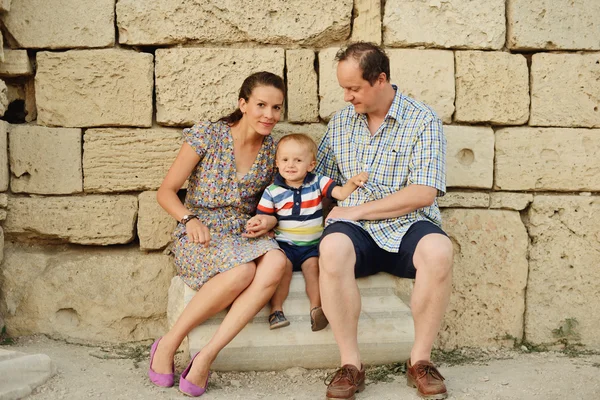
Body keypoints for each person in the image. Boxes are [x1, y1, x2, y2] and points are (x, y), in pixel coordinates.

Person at [316, 42, 453, 400]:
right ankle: (350, 365)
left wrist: (357, 209)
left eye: (354, 88)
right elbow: (323, 181)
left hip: (406, 223)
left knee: (439, 249)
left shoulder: (422, 119)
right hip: (354, 230)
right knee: (331, 247)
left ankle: (420, 360)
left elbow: (423, 193)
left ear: (380, 80)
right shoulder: (341, 123)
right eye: (343, 88)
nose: (346, 97)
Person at [148, 71, 288, 397]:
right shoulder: (208, 135)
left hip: (243, 233)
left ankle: (206, 355)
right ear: (243, 104)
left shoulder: (273, 150)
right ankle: (168, 344)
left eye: (277, 108)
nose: (269, 115)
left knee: (276, 262)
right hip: (201, 233)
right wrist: (189, 219)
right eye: (261, 105)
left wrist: (267, 221)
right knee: (242, 271)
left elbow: (274, 202)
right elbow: (166, 192)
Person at [246, 133, 368, 331]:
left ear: (310, 165)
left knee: (313, 270)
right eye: (285, 160)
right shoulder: (272, 191)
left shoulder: (318, 182)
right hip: (284, 246)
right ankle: (276, 311)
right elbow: (264, 218)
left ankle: (317, 309)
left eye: (298, 160)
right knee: (282, 271)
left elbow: (341, 194)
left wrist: (352, 182)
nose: (290, 165)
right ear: (277, 163)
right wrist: (257, 224)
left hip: (311, 246)